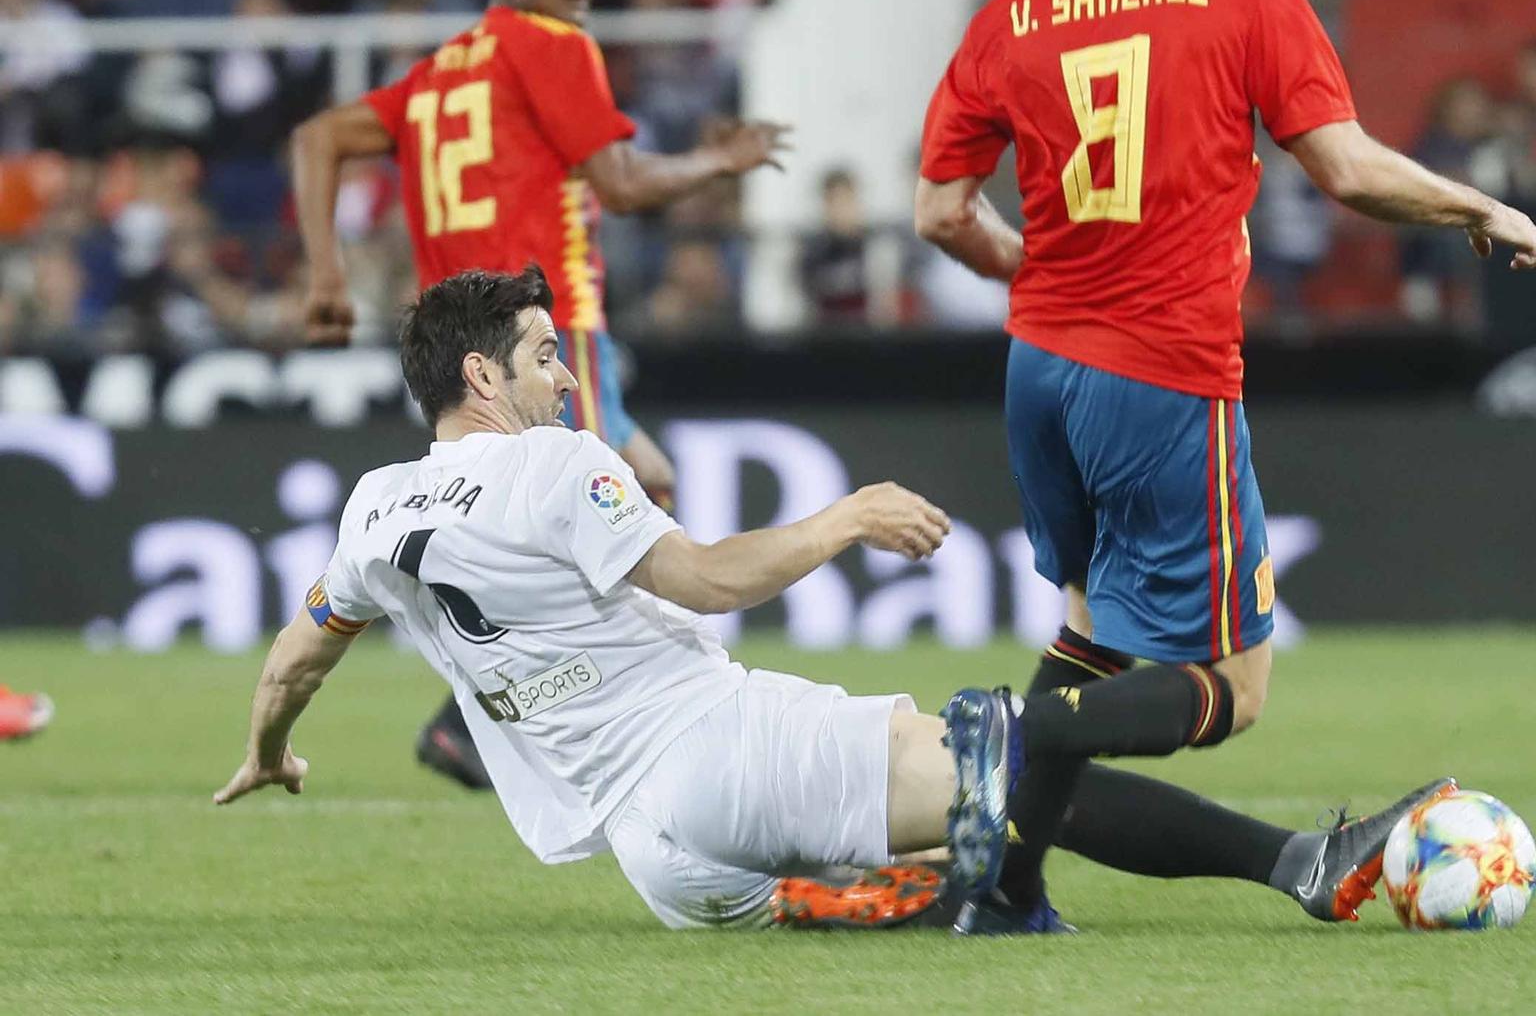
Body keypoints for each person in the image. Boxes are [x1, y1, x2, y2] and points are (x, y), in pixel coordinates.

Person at [211, 266, 1447, 932]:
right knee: (1008, 763)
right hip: (718, 751)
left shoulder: (373, 509)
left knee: (960, 829)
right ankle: (1303, 864)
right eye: (543, 358)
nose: (564, 383)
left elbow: (294, 660)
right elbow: (701, 577)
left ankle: (885, 896)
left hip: (652, 863)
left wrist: (268, 753)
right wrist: (844, 518)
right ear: (481, 373)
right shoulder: (551, 461)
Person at [913, 0, 1536, 934]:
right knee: (1230, 689)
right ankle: (1006, 735)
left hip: (1038, 371)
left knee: (1091, 634)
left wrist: (1037, 274)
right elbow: (1345, 168)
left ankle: (1000, 884)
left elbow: (938, 212)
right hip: (1160, 375)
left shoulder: (1014, 13)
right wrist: (1476, 206)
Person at [289, 0, 788, 791]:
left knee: (648, 486)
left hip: (465, 336)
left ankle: (492, 717)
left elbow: (317, 137)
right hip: (540, 336)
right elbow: (624, 186)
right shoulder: (550, 44)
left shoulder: (436, 74)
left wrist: (326, 275)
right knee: (592, 519)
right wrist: (721, 163)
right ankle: (509, 719)